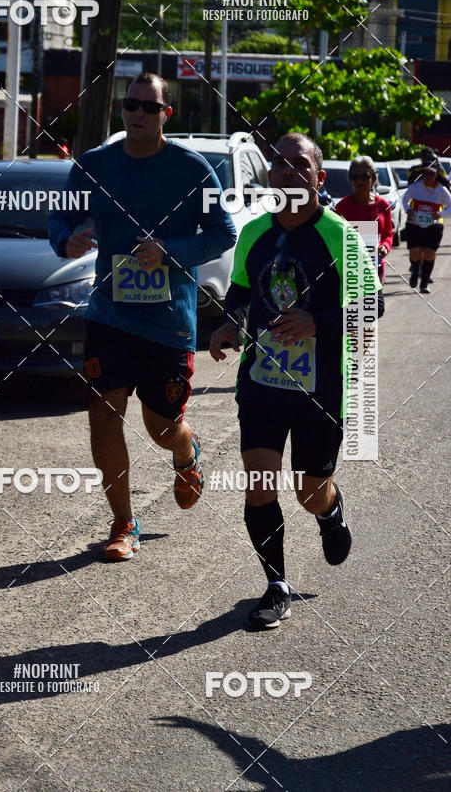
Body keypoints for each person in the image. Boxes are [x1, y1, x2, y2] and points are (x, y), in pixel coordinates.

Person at [48, 72, 237, 561]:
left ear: (165, 114)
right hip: (110, 315)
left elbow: (224, 234)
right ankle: (123, 523)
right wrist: (65, 239)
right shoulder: (94, 165)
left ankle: (185, 450)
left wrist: (169, 252)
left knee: (161, 428)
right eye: (130, 105)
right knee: (103, 416)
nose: (138, 113)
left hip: (168, 322)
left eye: (149, 107)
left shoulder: (192, 169)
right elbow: (60, 217)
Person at [210, 132, 384, 630]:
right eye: (279, 163)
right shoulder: (254, 232)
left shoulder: (338, 234)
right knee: (260, 484)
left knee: (309, 491)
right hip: (262, 383)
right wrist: (228, 324)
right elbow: (241, 291)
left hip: (321, 388)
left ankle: (329, 510)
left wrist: (317, 322)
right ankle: (275, 586)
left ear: (318, 177)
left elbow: (372, 305)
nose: (287, 171)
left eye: (299, 164)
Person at [334, 156, 393, 281]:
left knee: (375, 294)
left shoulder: (383, 206)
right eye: (355, 177)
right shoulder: (341, 207)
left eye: (365, 176)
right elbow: (334, 237)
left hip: (375, 267)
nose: (360, 181)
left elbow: (388, 234)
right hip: (349, 269)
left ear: (374, 178)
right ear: (350, 180)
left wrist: (385, 246)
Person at [402, 151, 451, 293]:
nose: (428, 177)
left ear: (436, 174)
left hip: (434, 226)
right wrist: (408, 210)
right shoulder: (416, 186)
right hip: (414, 224)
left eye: (431, 174)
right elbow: (405, 199)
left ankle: (424, 283)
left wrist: (440, 213)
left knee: (430, 253)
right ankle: (415, 270)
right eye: (425, 173)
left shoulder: (442, 190)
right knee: (415, 253)